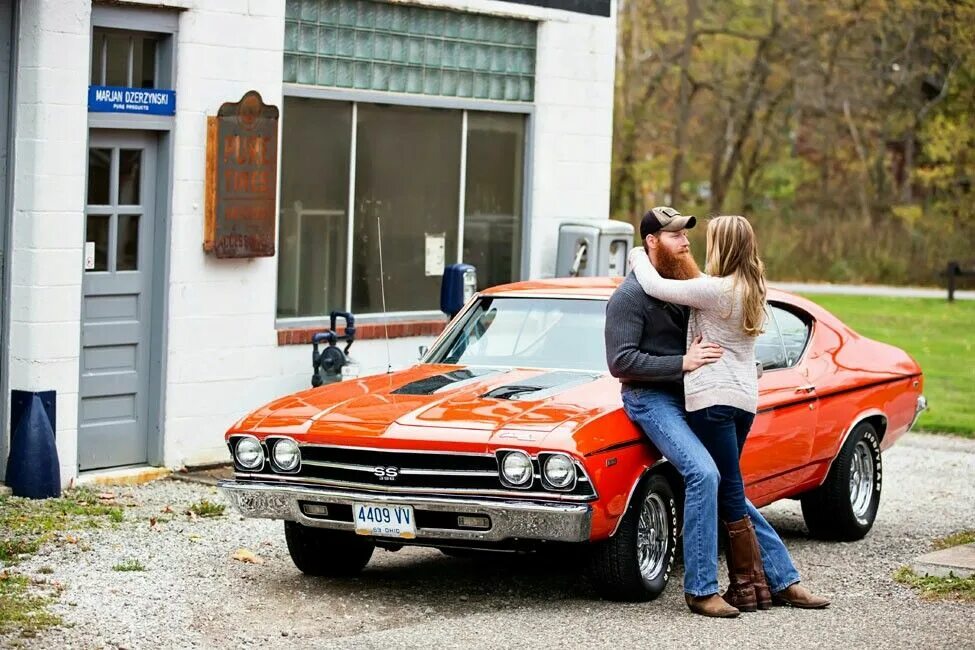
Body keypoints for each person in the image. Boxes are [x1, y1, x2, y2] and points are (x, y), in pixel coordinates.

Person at [604, 206, 829, 618]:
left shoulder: (695, 286)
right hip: (651, 398)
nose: (686, 241)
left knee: (729, 488)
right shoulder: (630, 297)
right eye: (675, 236)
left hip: (694, 397)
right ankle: (701, 590)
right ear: (651, 243)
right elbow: (621, 363)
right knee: (705, 474)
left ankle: (783, 579)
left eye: (687, 234)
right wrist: (682, 363)